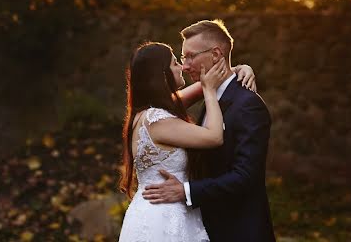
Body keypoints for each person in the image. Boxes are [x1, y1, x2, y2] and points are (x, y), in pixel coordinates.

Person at [142, 19, 276, 242]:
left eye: (191, 56)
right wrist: (238, 67)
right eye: (183, 58)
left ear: (215, 55)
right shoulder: (210, 97)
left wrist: (186, 191)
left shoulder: (248, 105)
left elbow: (246, 177)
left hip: (240, 231)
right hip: (207, 228)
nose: (185, 65)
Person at [117, 41, 257, 241]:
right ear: (163, 73)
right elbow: (214, 136)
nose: (182, 67)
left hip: (163, 212)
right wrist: (210, 92)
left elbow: (204, 85)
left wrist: (239, 69)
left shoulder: (148, 113)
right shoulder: (157, 120)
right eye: (175, 63)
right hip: (163, 219)